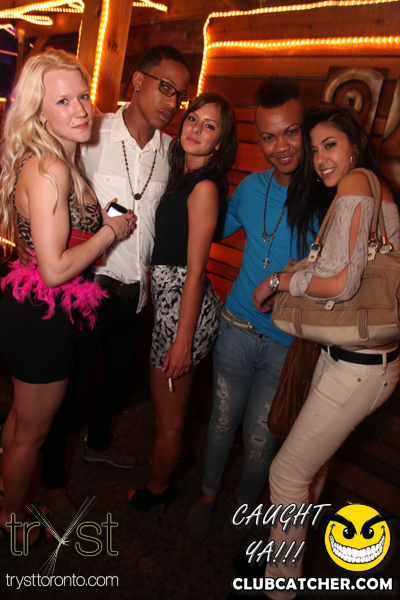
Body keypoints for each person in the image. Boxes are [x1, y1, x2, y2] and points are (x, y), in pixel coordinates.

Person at [15, 44, 190, 529]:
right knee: (68, 392)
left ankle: (97, 446)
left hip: (138, 290)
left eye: (180, 94)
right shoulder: (90, 132)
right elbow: (49, 195)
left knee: (114, 379)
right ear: (137, 81)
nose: (172, 102)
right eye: (165, 87)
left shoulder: (172, 152)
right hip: (89, 288)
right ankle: (51, 484)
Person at [252, 102, 400, 599]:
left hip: (359, 368)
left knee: (286, 474)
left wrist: (279, 280)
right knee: (309, 469)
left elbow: (339, 282)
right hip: (352, 358)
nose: (320, 159)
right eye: (315, 150)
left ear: (355, 145)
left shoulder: (357, 182)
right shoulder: (373, 187)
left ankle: (280, 590)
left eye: (330, 145)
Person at [187, 77, 330, 543]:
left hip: (286, 343)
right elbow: (208, 228)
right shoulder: (251, 187)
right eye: (268, 137)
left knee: (259, 439)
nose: (280, 147)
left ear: (305, 128)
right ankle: (208, 496)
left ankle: (246, 512)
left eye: (291, 132)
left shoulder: (327, 196)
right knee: (221, 422)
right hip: (235, 328)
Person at [0, 49, 132, 546]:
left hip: (33, 312)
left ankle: (7, 490)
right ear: (39, 112)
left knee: (20, 422)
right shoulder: (50, 167)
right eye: (62, 101)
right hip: (39, 318)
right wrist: (110, 232)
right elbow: (54, 270)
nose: (80, 110)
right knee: (31, 434)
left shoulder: (54, 160)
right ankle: (12, 519)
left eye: (82, 96)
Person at [129, 92, 237, 510]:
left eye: (210, 126)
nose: (196, 129)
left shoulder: (204, 186)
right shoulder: (185, 177)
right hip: (175, 304)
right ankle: (180, 458)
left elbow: (194, 272)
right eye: (193, 118)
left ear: (219, 142)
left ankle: (158, 489)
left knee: (168, 419)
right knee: (176, 407)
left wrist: (182, 341)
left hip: (182, 310)